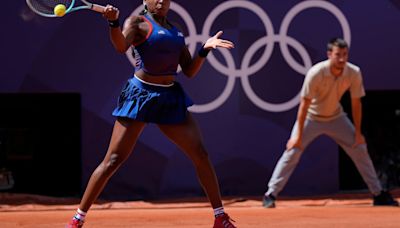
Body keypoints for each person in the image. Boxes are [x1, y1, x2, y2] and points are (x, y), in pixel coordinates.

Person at [67, 0, 237, 227]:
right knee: (113, 160)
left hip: (169, 98)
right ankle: (78, 219)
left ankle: (220, 216)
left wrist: (204, 49)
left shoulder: (175, 29)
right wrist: (114, 23)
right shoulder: (137, 22)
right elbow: (120, 47)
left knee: (200, 154)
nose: (161, 1)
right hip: (140, 96)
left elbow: (189, 71)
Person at [262, 38, 399, 208]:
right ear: (329, 55)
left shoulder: (354, 72)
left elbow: (356, 103)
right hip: (311, 118)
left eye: (344, 55)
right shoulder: (316, 73)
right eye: (337, 55)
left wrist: (357, 133)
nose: (341, 59)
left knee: (359, 148)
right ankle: (271, 194)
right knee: (292, 151)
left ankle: (378, 194)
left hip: (336, 118)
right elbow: (304, 104)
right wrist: (297, 136)